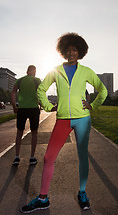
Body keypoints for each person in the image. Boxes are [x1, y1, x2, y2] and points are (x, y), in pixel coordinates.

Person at [20, 33, 107, 213]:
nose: (71, 52)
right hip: (63, 120)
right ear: (63, 52)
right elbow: (41, 90)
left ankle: (82, 193)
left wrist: (92, 105)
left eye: (75, 49)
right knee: (48, 157)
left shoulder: (86, 71)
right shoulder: (56, 70)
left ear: (80, 52)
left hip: (82, 119)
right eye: (68, 50)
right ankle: (43, 198)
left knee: (82, 156)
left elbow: (103, 90)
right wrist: (47, 105)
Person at [11, 65, 41, 166]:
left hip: (22, 109)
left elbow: (13, 92)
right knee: (34, 133)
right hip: (33, 109)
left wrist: (14, 105)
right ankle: (32, 158)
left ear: (27, 71)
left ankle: (16, 157)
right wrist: (41, 104)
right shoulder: (37, 80)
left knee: (19, 132)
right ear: (33, 71)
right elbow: (40, 93)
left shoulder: (20, 80)